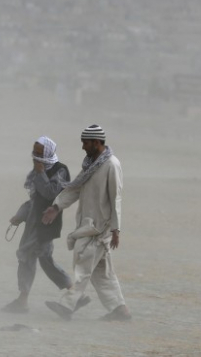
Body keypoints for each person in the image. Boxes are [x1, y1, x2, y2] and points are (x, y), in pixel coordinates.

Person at [41, 124, 132, 321]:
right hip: (87, 224)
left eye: (86, 142)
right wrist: (56, 207)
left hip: (99, 228)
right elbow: (76, 189)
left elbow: (116, 198)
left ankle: (67, 305)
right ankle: (119, 309)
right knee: (102, 273)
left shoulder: (112, 165)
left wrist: (116, 230)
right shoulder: (91, 165)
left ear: (97, 142)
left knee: (83, 265)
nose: (83, 146)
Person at [2, 136, 76, 314]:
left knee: (27, 255)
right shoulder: (37, 171)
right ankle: (72, 292)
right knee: (44, 259)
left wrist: (40, 172)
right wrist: (20, 215)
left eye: (39, 152)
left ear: (49, 152)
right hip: (33, 223)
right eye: (34, 152)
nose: (35, 156)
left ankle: (23, 300)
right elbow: (34, 199)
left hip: (46, 223)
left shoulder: (60, 170)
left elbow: (50, 193)